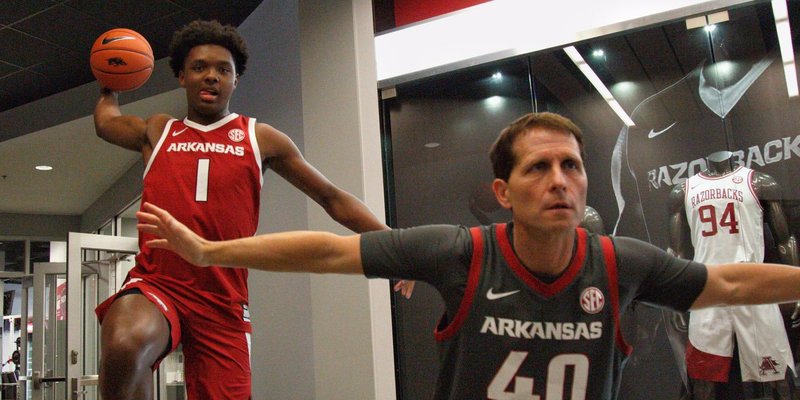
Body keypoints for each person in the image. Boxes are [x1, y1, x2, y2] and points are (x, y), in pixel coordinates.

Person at [138, 112, 800, 400]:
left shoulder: (622, 261)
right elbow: (330, 251)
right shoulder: (459, 252)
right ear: (503, 192)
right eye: (539, 168)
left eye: (572, 165)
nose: (560, 179)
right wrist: (208, 249)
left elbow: (733, 281)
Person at [92, 20, 412, 400]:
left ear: (235, 80)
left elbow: (331, 197)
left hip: (223, 299)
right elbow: (106, 123)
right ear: (181, 77)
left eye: (223, 70)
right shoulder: (159, 131)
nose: (211, 77)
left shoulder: (260, 138)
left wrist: (394, 245)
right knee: (125, 344)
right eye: (199, 68)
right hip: (159, 282)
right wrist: (108, 83)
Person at [669, 150, 799, 399]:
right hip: (708, 288)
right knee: (702, 382)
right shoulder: (683, 191)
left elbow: (785, 240)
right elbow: (676, 250)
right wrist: (673, 298)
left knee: (778, 376)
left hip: (754, 286)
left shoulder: (761, 183)